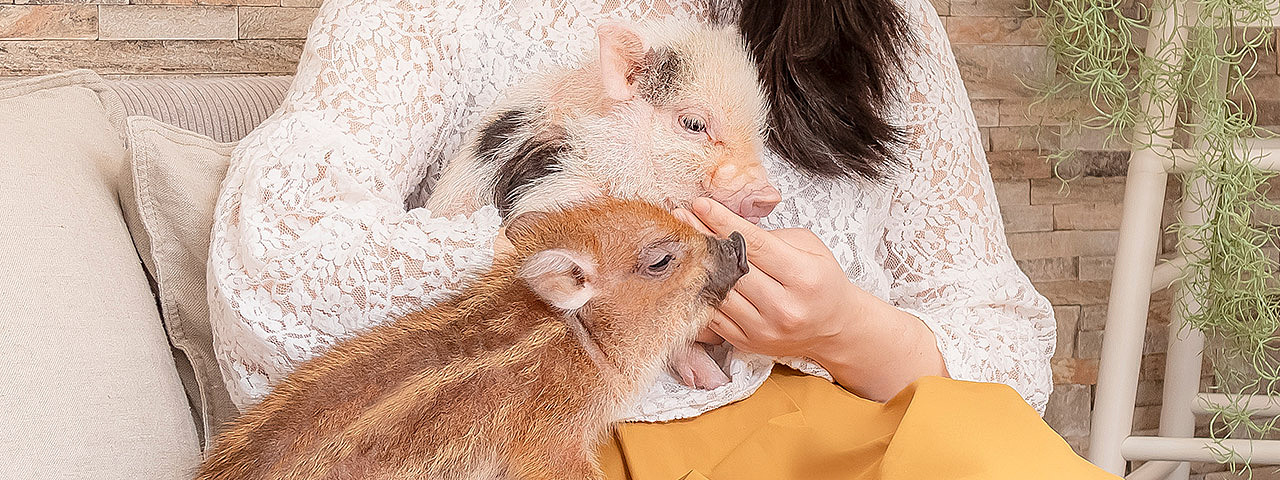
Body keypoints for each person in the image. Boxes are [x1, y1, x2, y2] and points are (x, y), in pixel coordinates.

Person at [207, 0, 1118, 477]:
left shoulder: (883, 22)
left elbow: (999, 325)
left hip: (829, 427)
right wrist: (596, 271)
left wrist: (839, 330)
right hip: (550, 431)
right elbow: (271, 263)